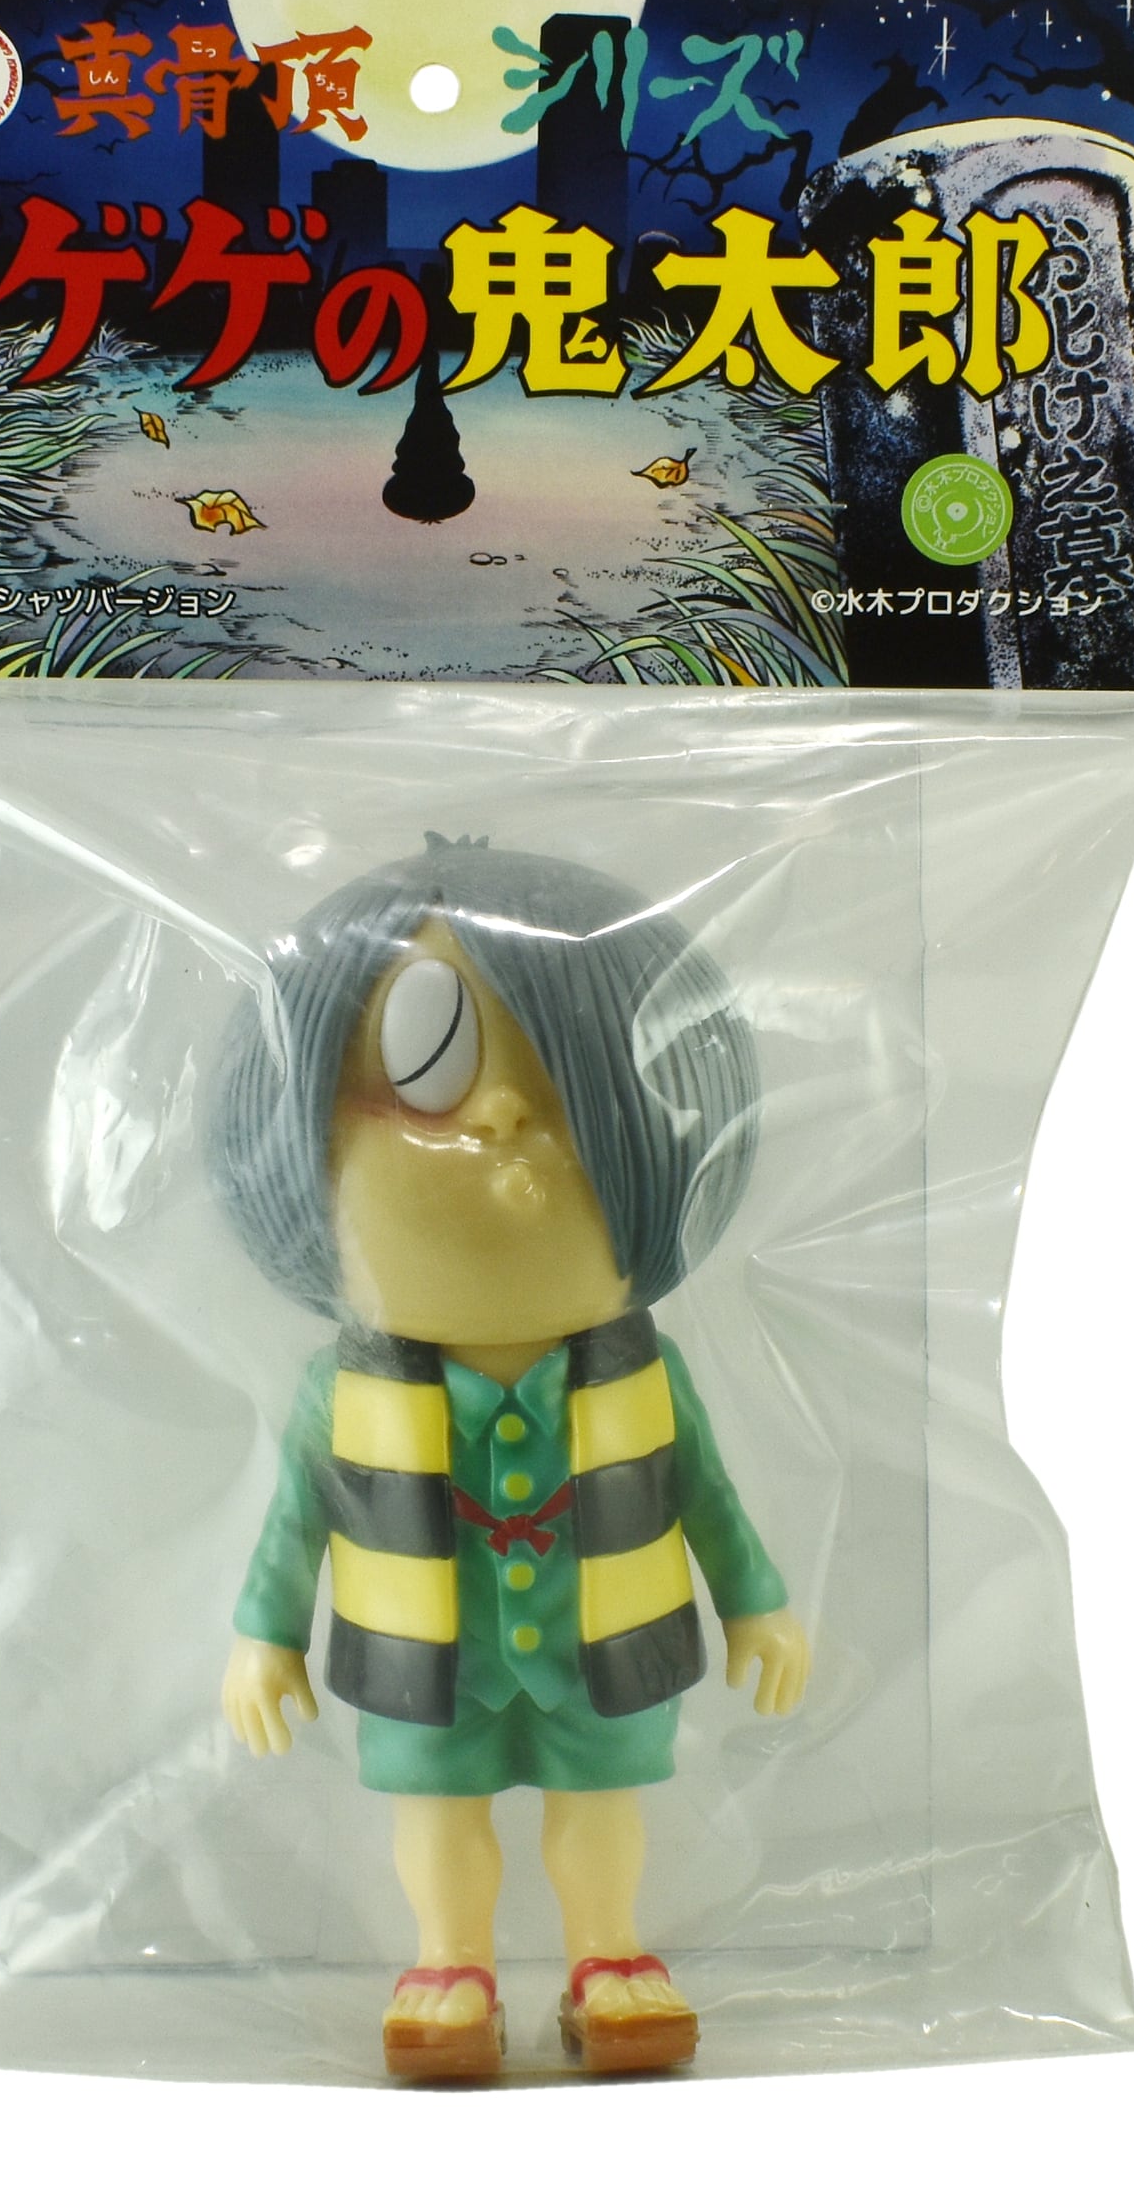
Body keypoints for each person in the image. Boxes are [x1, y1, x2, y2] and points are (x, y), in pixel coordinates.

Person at [211, 838, 810, 2077]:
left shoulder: (642, 1377)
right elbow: (292, 1527)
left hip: (604, 1642)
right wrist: (265, 1635)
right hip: (432, 1656)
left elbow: (707, 1496)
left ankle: (608, 1954)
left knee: (600, 1811)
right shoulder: (345, 1396)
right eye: (429, 1062)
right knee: (441, 1818)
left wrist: (756, 1602)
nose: (505, 1115)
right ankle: (450, 1964)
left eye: (584, 1086)